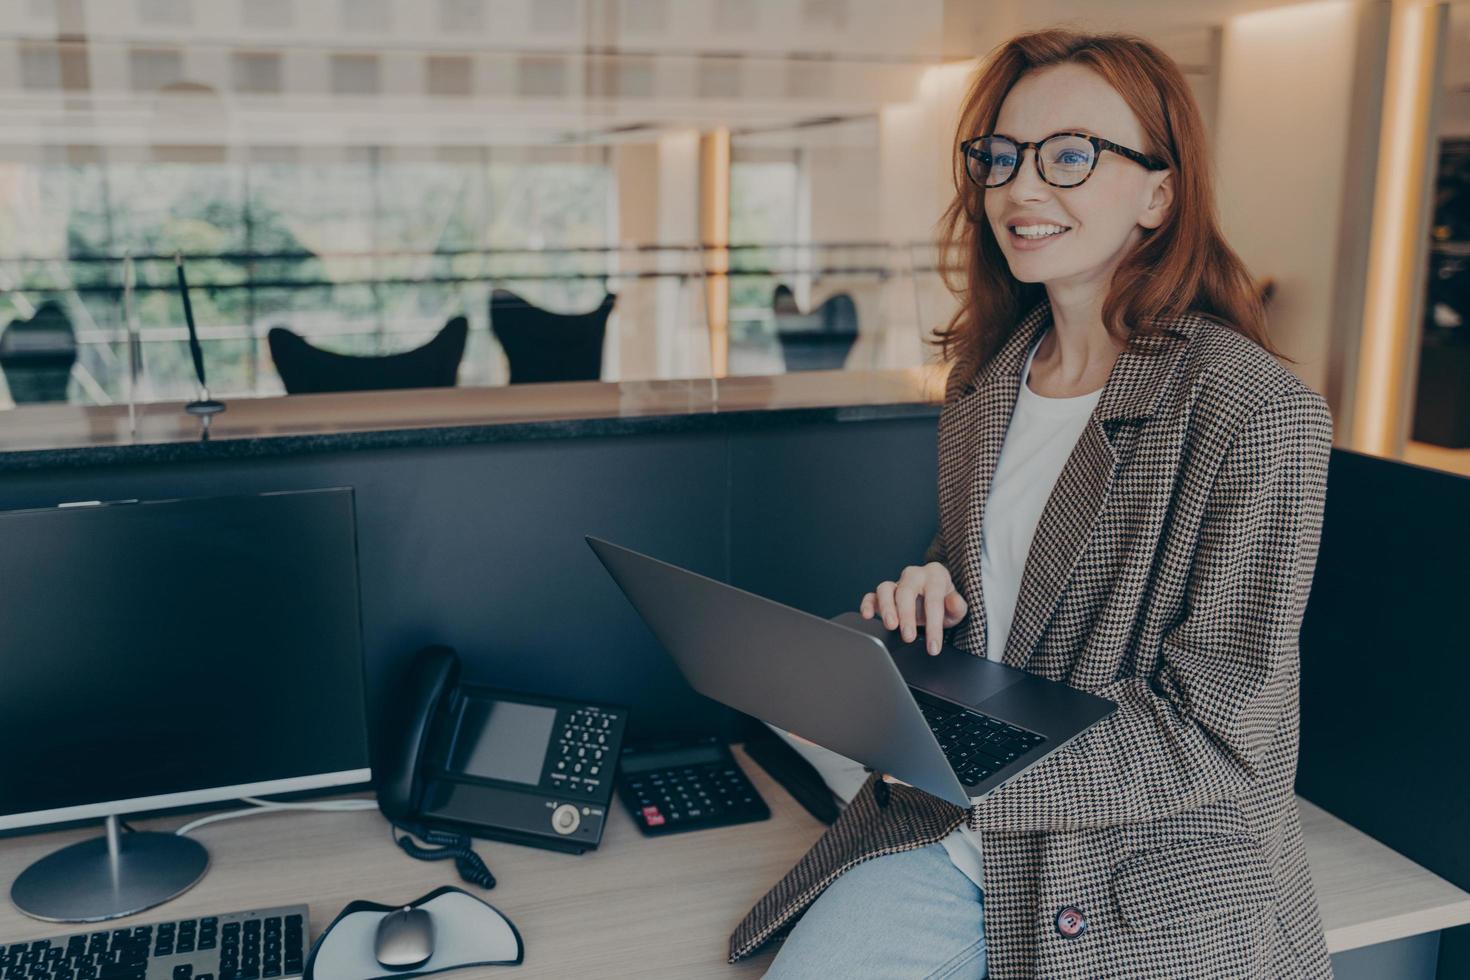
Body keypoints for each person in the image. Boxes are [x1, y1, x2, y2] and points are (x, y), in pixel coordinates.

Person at [729, 28, 1335, 980]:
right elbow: (1007, 613)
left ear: (1158, 192)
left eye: (1070, 156)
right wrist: (932, 601)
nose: (1020, 189)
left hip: (1142, 876)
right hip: (958, 840)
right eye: (1001, 158)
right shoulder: (988, 384)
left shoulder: (1255, 413)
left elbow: (1218, 737)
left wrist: (954, 761)